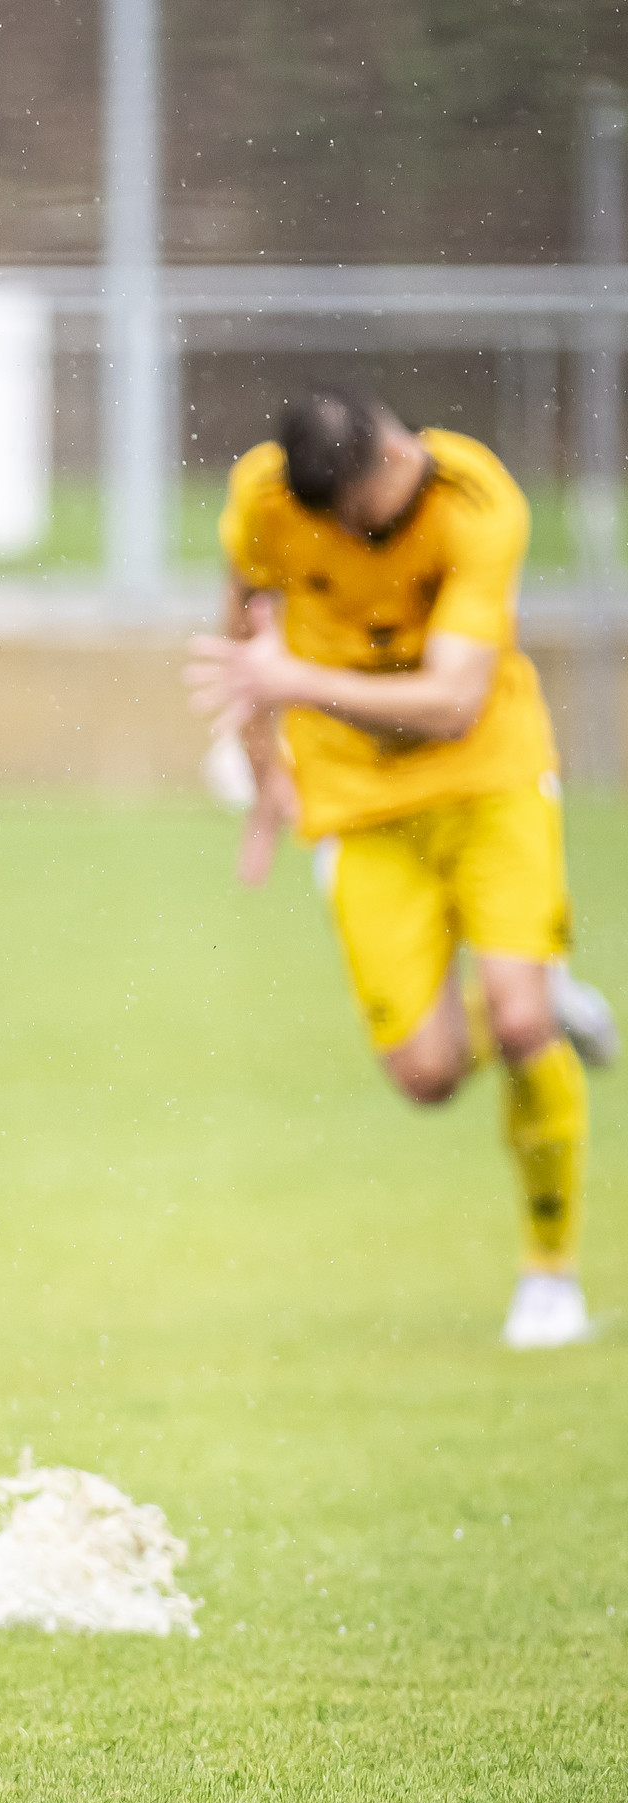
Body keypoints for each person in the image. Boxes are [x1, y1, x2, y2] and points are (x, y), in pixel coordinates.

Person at [187, 386, 615, 1350]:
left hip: (490, 783)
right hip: (359, 810)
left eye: (357, 515)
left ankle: (549, 1278)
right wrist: (264, 772)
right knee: (426, 1075)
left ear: (388, 458)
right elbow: (244, 621)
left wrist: (296, 682)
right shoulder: (266, 497)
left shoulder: (475, 502)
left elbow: (455, 702)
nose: (345, 535)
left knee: (519, 1023)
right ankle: (544, 998)